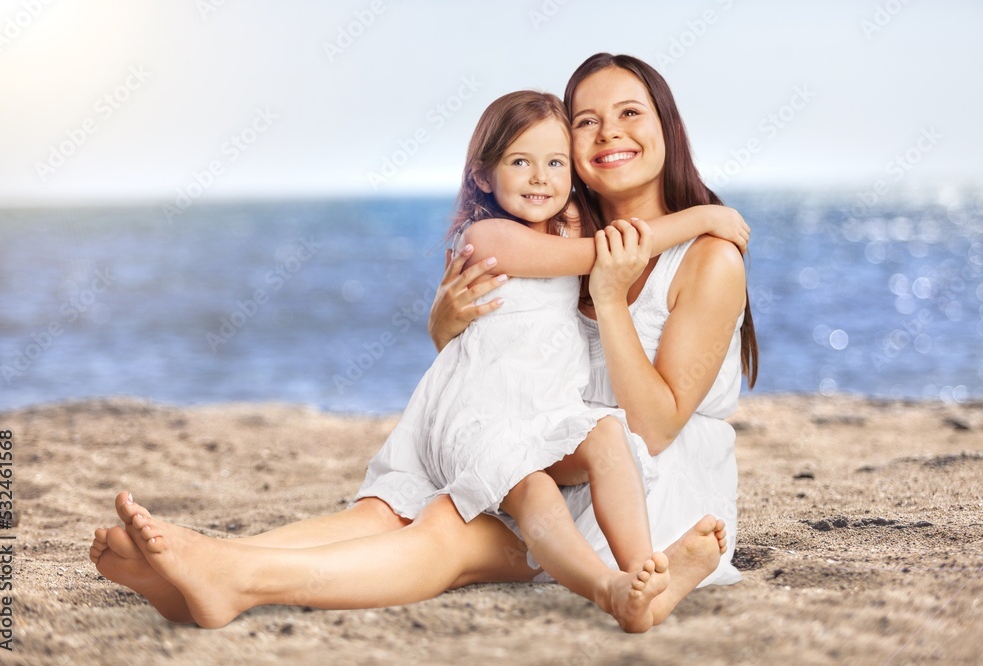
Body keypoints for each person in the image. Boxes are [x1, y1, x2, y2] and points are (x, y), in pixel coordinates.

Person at [89, 53, 754, 634]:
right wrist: (445, 320)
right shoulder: (556, 228)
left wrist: (617, 291)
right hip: (545, 444)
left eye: (631, 113)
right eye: (587, 121)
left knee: (442, 528)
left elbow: (655, 428)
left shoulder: (707, 257)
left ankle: (235, 579)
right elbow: (503, 341)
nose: (609, 132)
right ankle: (198, 571)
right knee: (386, 509)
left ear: (668, 125)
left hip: (639, 489)